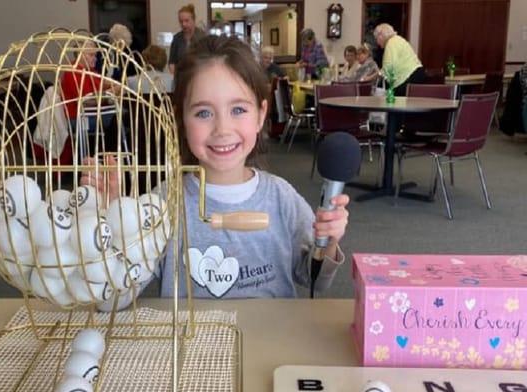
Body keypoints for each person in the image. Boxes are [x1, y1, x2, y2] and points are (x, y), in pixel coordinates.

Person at [81, 35, 350, 303]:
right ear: (182, 121)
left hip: (272, 339)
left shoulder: (282, 198)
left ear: (260, 114)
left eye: (238, 110)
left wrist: (329, 241)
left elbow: (313, 277)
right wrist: (112, 220)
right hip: (193, 343)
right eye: (203, 113)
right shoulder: (163, 202)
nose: (222, 130)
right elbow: (116, 297)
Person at [373, 23, 424, 96]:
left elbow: (388, 66)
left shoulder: (390, 43)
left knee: (398, 104)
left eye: (376, 38)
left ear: (381, 36)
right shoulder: (398, 39)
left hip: (407, 76)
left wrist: (375, 76)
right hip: (416, 73)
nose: (377, 42)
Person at [168, 3, 206, 74]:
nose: (183, 24)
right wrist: (174, 77)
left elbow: (207, 60)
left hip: (198, 75)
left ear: (193, 20)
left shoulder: (202, 37)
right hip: (180, 76)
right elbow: (172, 62)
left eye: (186, 21)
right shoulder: (177, 38)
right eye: (181, 21)